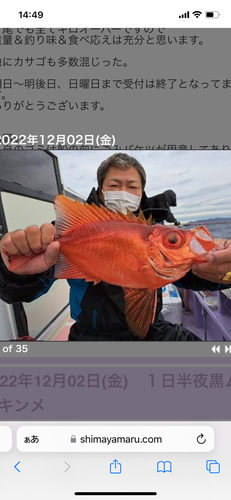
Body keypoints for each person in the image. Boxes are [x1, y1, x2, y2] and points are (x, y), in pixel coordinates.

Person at [0, 153, 231, 341]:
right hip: (89, 337)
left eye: (132, 186)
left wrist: (224, 271)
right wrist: (13, 271)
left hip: (155, 332)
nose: (124, 193)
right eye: (114, 185)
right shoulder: (66, 234)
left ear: (141, 195)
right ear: (101, 190)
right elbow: (18, 291)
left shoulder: (157, 234)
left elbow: (195, 274)